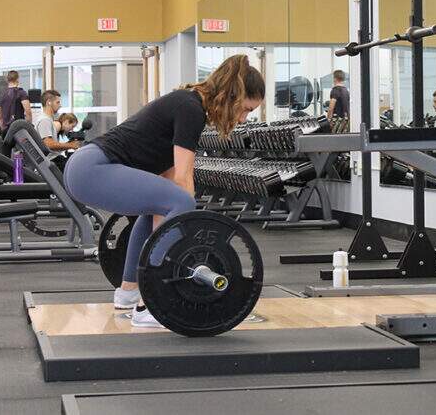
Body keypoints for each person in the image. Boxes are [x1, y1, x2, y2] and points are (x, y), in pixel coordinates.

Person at [64, 55, 265, 329]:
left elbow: (169, 180)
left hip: (85, 168)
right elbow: (183, 182)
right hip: (92, 167)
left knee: (160, 207)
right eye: (244, 109)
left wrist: (180, 219)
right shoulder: (190, 108)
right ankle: (152, 303)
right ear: (230, 95)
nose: (242, 119)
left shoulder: (188, 105)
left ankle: (129, 292)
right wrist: (193, 237)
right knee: (180, 200)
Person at [35, 90, 79, 155]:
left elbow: (53, 146)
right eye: (57, 102)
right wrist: (70, 145)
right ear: (49, 102)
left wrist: (69, 145)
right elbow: (49, 144)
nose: (60, 105)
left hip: (55, 157)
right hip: (52, 160)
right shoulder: (45, 120)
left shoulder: (49, 119)